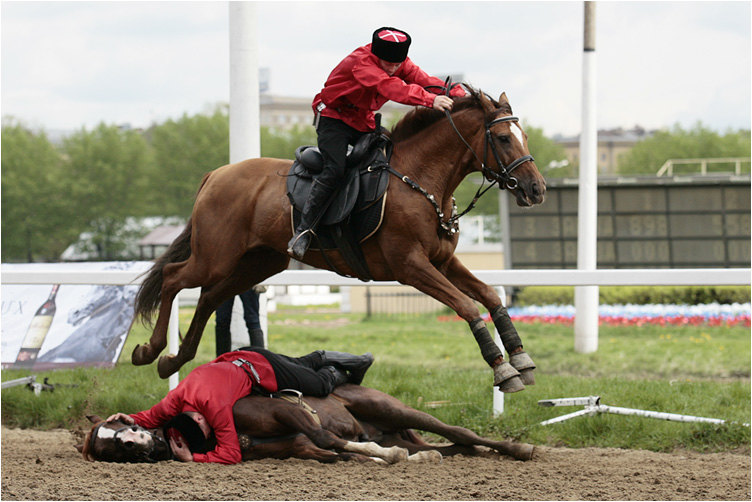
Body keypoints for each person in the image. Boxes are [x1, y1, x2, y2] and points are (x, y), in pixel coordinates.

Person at [287, 26, 467, 259]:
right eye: (388, 64)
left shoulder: (399, 62)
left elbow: (423, 79)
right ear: (377, 55)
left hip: (363, 120)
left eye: (397, 64)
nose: (394, 69)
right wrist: (430, 100)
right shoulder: (361, 63)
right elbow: (392, 87)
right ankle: (304, 231)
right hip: (334, 119)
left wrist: (456, 92)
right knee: (335, 169)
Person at [106, 347, 373, 464]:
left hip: (260, 367)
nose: (212, 429)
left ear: (200, 420)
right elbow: (150, 417)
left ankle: (348, 362)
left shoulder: (216, 409)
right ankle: (319, 361)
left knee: (321, 384)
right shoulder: (175, 400)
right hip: (243, 358)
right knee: (300, 367)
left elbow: (231, 454)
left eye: (207, 429)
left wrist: (194, 458)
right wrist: (128, 419)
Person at [214, 287, 264, 356]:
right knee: (222, 321)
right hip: (224, 278)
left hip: (247, 277)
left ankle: (260, 361)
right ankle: (221, 361)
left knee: (253, 321)